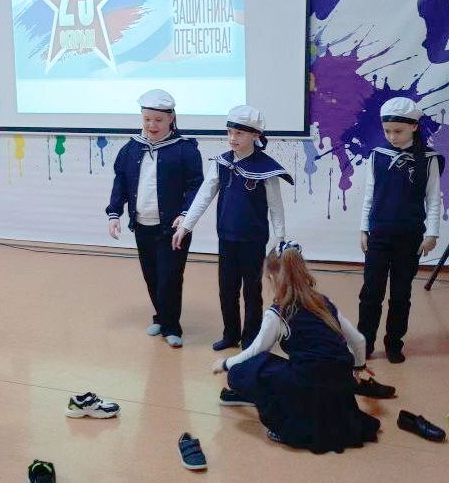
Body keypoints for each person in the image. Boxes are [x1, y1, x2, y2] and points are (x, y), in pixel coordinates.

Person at [212, 241, 380, 454]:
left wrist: (225, 364)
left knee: (241, 371)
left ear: (272, 277)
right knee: (298, 368)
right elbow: (358, 340)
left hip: (310, 383)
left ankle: (287, 427)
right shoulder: (324, 302)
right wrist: (359, 367)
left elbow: (255, 351)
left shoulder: (277, 313)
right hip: (340, 385)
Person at [173, 105, 292, 350]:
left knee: (252, 291)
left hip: (253, 241)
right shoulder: (222, 163)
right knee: (227, 289)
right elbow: (204, 196)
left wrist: (279, 239)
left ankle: (251, 337)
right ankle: (230, 334)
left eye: (239, 133)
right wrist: (186, 226)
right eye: (229, 132)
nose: (232, 138)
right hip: (227, 238)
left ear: (255, 135)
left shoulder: (265, 168)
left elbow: (276, 206)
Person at [106, 89, 203, 347]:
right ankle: (161, 317)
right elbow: (121, 181)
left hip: (173, 228)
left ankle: (172, 327)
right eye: (147, 119)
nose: (152, 125)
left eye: (158, 120)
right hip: (142, 225)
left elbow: (196, 186)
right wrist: (114, 213)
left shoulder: (185, 150)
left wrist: (185, 214)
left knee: (170, 277)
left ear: (171, 118)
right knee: (152, 276)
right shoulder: (131, 148)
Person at [357, 97, 445, 363]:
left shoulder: (428, 159)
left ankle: (394, 343)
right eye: (387, 131)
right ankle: (365, 343)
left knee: (401, 294)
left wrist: (432, 233)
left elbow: (433, 198)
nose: (392, 137)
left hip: (409, 237)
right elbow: (370, 195)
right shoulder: (378, 156)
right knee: (371, 292)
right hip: (379, 234)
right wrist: (364, 228)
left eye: (398, 131)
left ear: (414, 127)